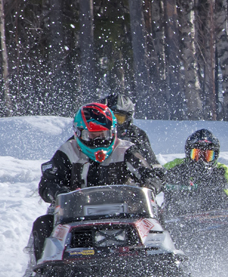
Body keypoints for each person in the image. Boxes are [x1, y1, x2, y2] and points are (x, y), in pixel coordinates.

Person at [30, 103, 163, 261]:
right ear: (79, 133)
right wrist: (59, 192)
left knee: (157, 218)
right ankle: (42, 272)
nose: (98, 140)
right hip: (77, 214)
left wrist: (149, 186)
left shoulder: (127, 150)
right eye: (92, 136)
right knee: (43, 224)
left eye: (103, 134)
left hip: (124, 211)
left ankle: (165, 260)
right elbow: (47, 182)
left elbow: (154, 173)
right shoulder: (66, 152)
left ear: (113, 132)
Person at [163, 128, 228, 227]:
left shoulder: (221, 170)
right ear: (188, 153)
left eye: (207, 156)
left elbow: (225, 200)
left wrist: (205, 185)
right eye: (196, 155)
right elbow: (154, 178)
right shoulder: (174, 166)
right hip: (177, 220)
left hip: (213, 221)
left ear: (215, 156)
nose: (201, 161)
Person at [103, 93, 158, 166]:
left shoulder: (137, 135)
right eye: (110, 118)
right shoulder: (91, 134)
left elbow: (151, 163)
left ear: (127, 120)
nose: (115, 124)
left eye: (119, 119)